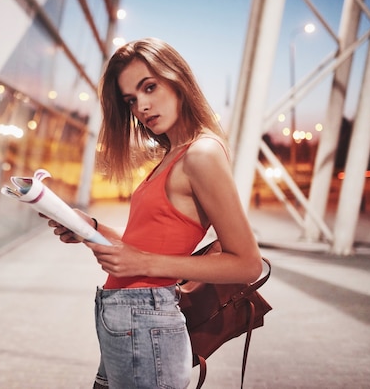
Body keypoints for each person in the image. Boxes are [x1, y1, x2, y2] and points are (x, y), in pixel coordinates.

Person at [44, 38, 263, 389]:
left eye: (150, 87)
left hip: (147, 319)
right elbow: (148, 242)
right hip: (126, 319)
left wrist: (144, 264)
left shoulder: (201, 154)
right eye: (131, 99)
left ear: (178, 80)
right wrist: (91, 227)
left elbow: (247, 263)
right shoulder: (173, 153)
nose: (142, 106)